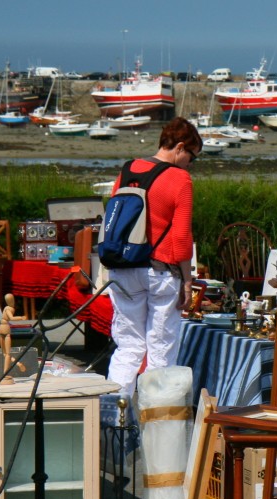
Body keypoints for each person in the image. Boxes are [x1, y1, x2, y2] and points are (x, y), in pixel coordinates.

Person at [106, 117, 200, 398]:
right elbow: (182, 237)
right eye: (191, 157)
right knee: (160, 349)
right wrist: (187, 281)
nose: (189, 163)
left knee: (129, 347)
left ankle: (113, 418)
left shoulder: (127, 169)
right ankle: (154, 425)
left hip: (123, 269)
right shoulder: (180, 179)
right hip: (161, 272)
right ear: (180, 147)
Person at [0, 293, 26, 383]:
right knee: (6, 353)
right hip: (4, 328)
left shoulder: (6, 308)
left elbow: (9, 318)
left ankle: (5, 373)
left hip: (2, 328)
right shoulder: (10, 308)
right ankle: (17, 364)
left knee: (6, 353)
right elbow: (11, 318)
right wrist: (21, 318)